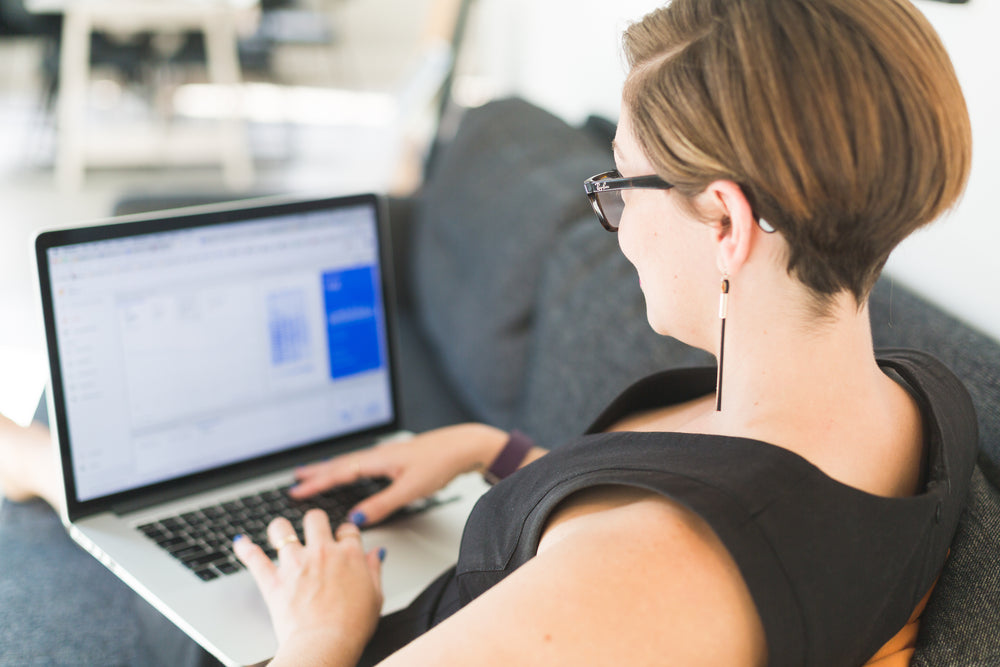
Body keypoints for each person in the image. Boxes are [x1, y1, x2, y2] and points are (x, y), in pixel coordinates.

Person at [0, 0, 978, 664]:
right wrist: (487, 447)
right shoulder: (910, 393)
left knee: (91, 498)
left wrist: (319, 632)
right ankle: (51, 467)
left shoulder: (653, 568)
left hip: (335, 633)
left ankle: (51, 469)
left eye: (617, 184)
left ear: (723, 221)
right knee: (85, 468)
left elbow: (666, 562)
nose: (616, 222)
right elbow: (739, 501)